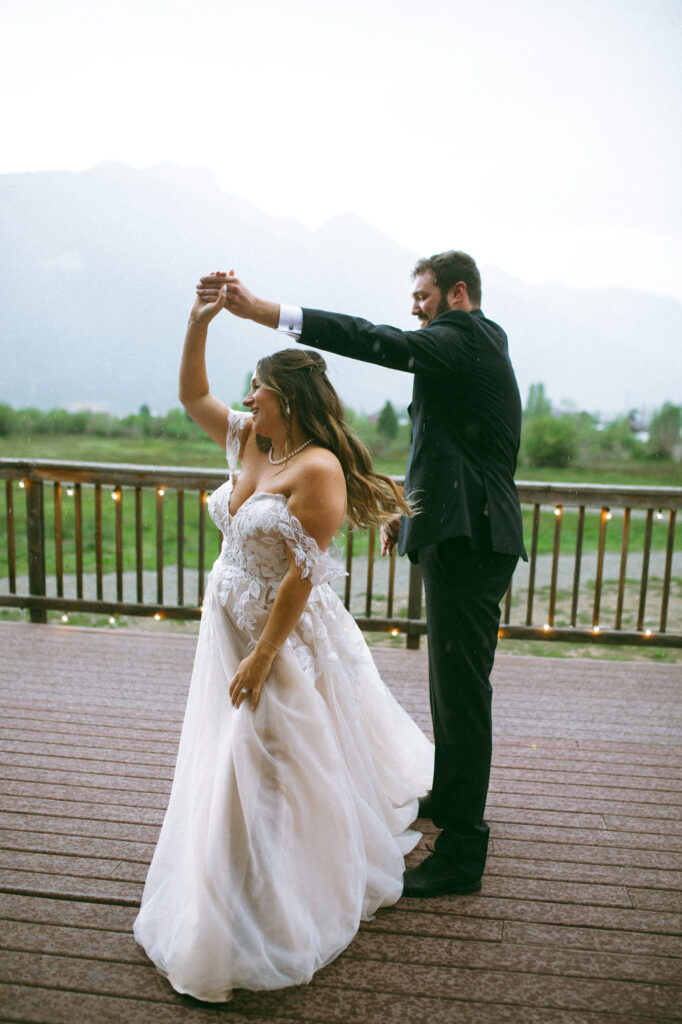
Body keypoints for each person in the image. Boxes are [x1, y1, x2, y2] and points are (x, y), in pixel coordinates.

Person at [133, 281, 434, 1002]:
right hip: (227, 619)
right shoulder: (248, 441)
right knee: (233, 750)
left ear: (287, 400)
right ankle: (232, 882)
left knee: (266, 751)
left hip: (280, 631)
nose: (247, 399)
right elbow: (191, 393)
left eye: (259, 391)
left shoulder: (317, 469)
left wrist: (265, 655)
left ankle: (268, 900)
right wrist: (197, 322)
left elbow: (303, 576)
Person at [197, 251, 527, 899]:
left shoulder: (465, 336)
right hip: (456, 529)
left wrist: (270, 313)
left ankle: (462, 852)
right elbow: (449, 443)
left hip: (474, 535)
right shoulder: (462, 349)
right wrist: (409, 509)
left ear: (457, 294)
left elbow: (376, 343)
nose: (414, 308)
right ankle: (451, 797)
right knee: (447, 678)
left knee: (461, 688)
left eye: (422, 295)